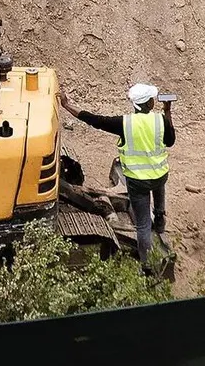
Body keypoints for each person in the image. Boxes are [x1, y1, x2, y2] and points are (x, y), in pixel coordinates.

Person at [61, 82, 174, 266]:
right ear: (149, 104)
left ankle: (146, 264)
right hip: (159, 176)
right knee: (159, 186)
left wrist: (66, 106)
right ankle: (160, 220)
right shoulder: (160, 120)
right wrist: (168, 111)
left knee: (143, 225)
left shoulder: (124, 123)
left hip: (138, 182)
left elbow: (95, 120)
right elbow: (170, 141)